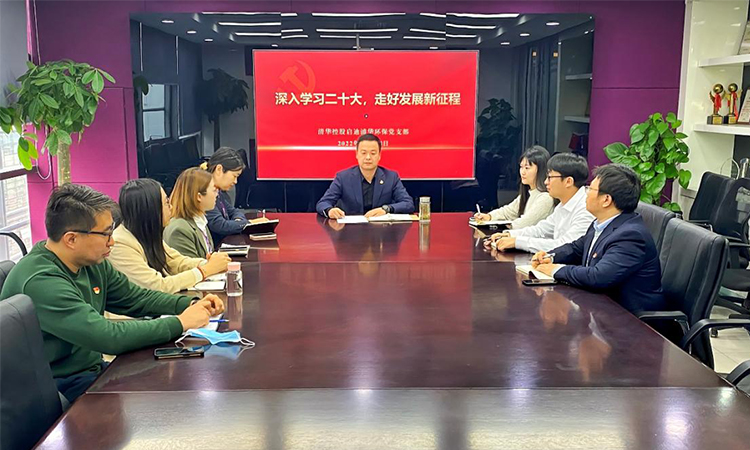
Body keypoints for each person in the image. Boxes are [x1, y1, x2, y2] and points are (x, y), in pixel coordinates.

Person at [0, 184, 224, 402]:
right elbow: (106, 336)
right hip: (56, 386)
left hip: (92, 371)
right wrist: (180, 322)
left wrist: (188, 304)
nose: (112, 241)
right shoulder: (41, 280)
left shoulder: (90, 261)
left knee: (171, 386)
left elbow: (135, 298)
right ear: (71, 239)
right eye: (106, 234)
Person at [531, 164, 665, 313]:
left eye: (590, 189)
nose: (586, 193)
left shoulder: (631, 236)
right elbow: (576, 248)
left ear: (606, 200)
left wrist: (555, 270)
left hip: (629, 319)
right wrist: (550, 257)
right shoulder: (601, 223)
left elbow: (599, 276)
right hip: (598, 309)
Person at [109, 178, 231, 294]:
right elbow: (157, 286)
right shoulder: (120, 243)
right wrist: (205, 270)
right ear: (151, 209)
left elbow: (176, 262)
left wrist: (209, 263)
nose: (171, 207)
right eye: (167, 203)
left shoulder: (146, 233)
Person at [489, 153, 594, 253]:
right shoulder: (563, 204)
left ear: (568, 181)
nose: (545, 182)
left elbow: (565, 246)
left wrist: (518, 242)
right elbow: (541, 230)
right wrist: (510, 235)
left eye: (550, 177)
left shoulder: (586, 209)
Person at [316, 134, 414, 219]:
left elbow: (408, 203)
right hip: (350, 231)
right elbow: (323, 203)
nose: (368, 157)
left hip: (382, 231)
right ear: (357, 154)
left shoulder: (391, 177)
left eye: (373, 153)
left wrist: (386, 209)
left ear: (379, 155)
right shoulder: (343, 177)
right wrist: (330, 210)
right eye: (363, 153)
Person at [474, 145, 554, 229]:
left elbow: (524, 224)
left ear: (541, 170)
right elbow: (508, 212)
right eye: (521, 167)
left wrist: (505, 226)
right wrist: (489, 216)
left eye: (527, 168)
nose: (522, 172)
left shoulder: (546, 198)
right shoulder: (527, 193)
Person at [203, 147, 266, 244]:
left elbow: (234, 211)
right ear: (219, 169)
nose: (235, 181)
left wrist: (238, 221)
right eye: (234, 176)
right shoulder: (204, 191)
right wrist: (249, 223)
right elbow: (220, 225)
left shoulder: (219, 192)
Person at [165, 167, 226, 259]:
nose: (217, 194)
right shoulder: (180, 230)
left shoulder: (200, 221)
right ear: (199, 197)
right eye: (214, 190)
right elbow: (190, 266)